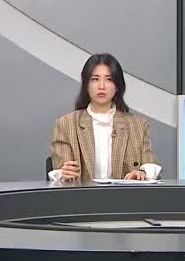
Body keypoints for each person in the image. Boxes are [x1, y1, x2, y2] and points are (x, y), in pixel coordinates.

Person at [50, 53, 157, 182]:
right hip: (81, 194)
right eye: (95, 79)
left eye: (109, 79)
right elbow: (61, 172)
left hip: (124, 194)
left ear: (117, 86)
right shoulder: (66, 124)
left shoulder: (138, 125)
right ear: (86, 84)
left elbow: (149, 164)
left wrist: (142, 173)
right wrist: (64, 173)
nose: (102, 86)